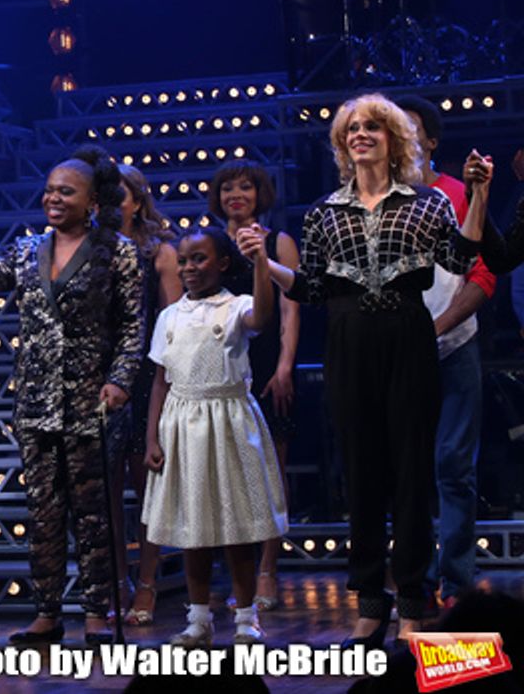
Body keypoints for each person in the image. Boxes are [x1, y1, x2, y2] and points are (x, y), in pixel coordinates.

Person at [262, 93, 483, 648]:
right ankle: (368, 603)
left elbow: (460, 259)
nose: (361, 134)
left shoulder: (428, 203)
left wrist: (478, 194)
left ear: (393, 139)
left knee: (411, 473)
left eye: (372, 128)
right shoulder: (323, 213)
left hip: (408, 338)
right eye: (352, 129)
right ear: (342, 144)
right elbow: (311, 287)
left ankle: (413, 600)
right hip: (349, 341)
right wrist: (262, 264)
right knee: (362, 475)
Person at [0, 146, 143, 645]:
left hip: (91, 402)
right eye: (49, 190)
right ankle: (47, 612)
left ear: (90, 201)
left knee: (92, 515)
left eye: (66, 191)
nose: (53, 198)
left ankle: (96, 614)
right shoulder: (26, 248)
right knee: (43, 512)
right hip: (37, 403)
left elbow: (132, 325)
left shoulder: (120, 252)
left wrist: (121, 379)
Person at [143, 226, 288, 645]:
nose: (189, 267)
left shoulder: (236, 306)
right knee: (193, 531)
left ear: (223, 264)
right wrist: (152, 438)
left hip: (227, 423)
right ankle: (199, 618)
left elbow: (262, 316)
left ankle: (246, 618)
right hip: (183, 427)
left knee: (235, 528)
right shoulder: (169, 316)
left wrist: (261, 260)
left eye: (199, 259)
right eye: (184, 260)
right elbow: (160, 381)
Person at [397, 96, 496, 610]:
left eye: (413, 131)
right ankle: (414, 579)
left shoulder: (458, 194)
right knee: (407, 469)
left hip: (455, 347)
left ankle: (456, 582)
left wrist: (436, 327)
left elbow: (481, 274)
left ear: (432, 141)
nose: (404, 140)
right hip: (398, 357)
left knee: (453, 465)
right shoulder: (378, 200)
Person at [208, 159, 300, 613]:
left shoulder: (279, 240)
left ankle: (268, 568)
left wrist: (284, 365)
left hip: (264, 364)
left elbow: (291, 309)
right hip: (221, 364)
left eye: (245, 186)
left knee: (269, 472)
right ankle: (234, 573)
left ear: (261, 193)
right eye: (227, 187)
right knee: (227, 474)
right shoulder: (210, 242)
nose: (236, 194)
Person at [108, 165, 180, 627]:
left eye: (121, 196)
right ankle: (116, 582)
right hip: (98, 375)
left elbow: (173, 324)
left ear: (137, 200)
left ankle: (149, 581)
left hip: (145, 376)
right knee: (104, 491)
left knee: (145, 487)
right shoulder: (89, 249)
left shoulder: (159, 252)